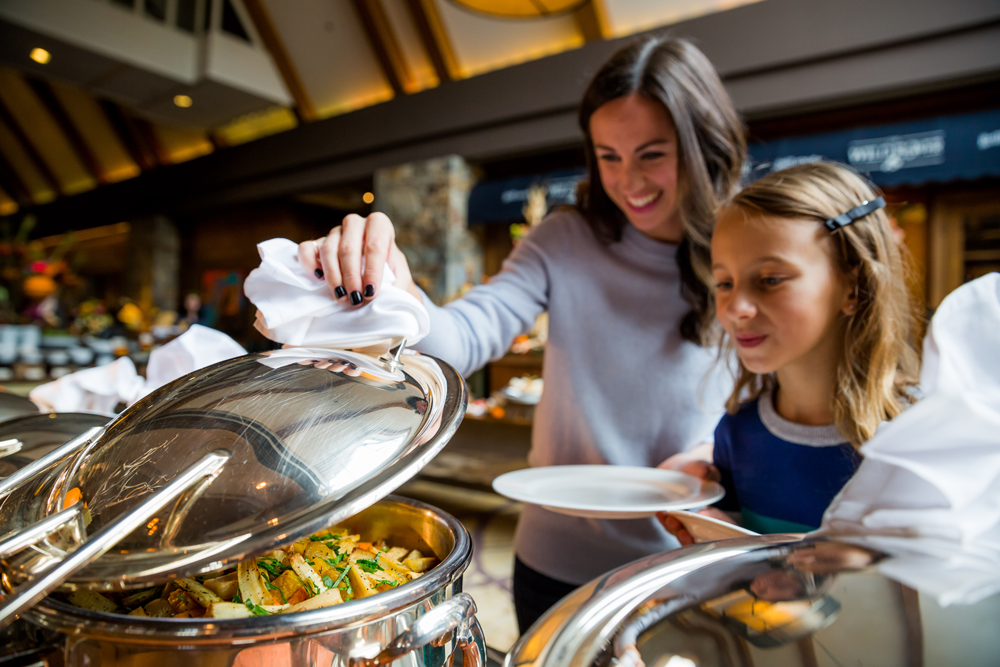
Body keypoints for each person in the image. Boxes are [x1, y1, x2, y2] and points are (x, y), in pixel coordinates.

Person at [298, 36, 746, 632]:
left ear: (700, 146)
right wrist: (399, 296)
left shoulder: (742, 243)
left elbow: (769, 393)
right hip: (556, 560)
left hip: (684, 561)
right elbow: (465, 336)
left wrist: (709, 454)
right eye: (608, 156)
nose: (627, 181)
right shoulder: (564, 239)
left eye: (652, 154)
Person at [661, 162, 921, 543]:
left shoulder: (919, 432)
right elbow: (747, 579)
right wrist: (718, 539)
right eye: (724, 283)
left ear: (854, 286)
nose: (736, 308)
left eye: (769, 280)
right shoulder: (736, 433)